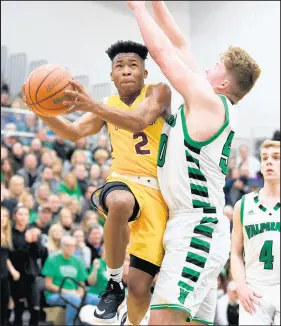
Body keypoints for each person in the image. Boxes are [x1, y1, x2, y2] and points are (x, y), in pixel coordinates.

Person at [65, 1, 260, 324]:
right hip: (195, 226)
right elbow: (179, 43)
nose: (205, 68)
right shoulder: (209, 102)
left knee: (162, 321)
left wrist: (138, 8)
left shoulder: (209, 101)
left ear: (223, 83)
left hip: (196, 227)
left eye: (214, 66)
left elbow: (164, 53)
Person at [26, 40, 171, 325]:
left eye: (133, 66)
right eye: (119, 66)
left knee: (140, 291)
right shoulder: (105, 105)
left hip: (157, 193)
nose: (126, 71)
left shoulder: (159, 92)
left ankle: (131, 315)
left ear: (145, 72)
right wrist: (40, 110)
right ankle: (114, 282)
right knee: (118, 202)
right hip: (122, 180)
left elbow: (139, 121)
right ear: (111, 75)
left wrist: (92, 104)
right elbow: (72, 132)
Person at [231, 140, 280, 325]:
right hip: (254, 290)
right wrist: (241, 286)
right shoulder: (243, 205)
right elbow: (235, 253)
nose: (269, 162)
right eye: (265, 158)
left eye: (276, 158)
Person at [42, 235, 100, 326]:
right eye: (67, 245)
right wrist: (68, 292)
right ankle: (70, 324)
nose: (70, 248)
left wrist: (80, 292)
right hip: (55, 294)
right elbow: (48, 284)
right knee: (74, 299)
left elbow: (81, 283)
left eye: (73, 246)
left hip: (75, 293)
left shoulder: (78, 261)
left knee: (100, 300)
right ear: (61, 246)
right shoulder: (52, 259)